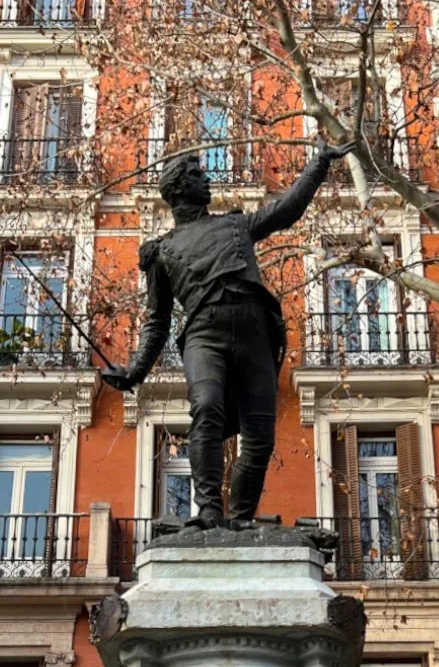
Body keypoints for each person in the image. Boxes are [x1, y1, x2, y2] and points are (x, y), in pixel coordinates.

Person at [101, 139, 357, 528]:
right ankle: (208, 512)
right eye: (197, 175)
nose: (207, 180)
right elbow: (157, 320)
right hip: (205, 334)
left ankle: (239, 520)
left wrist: (319, 164)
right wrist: (135, 371)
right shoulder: (162, 252)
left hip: (255, 331)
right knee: (206, 408)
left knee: (260, 436)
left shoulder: (235, 224)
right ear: (179, 188)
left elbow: (287, 210)